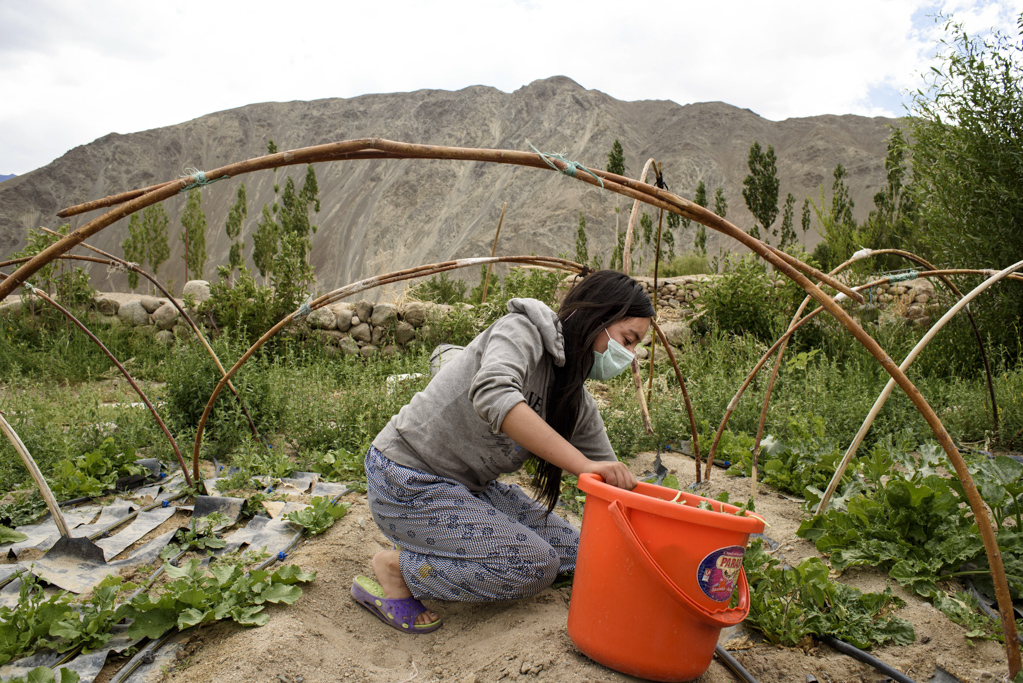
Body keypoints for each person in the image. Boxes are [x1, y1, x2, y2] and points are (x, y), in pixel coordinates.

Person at [350, 269, 654, 633]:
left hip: (469, 489)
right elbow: (495, 395)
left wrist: (656, 549)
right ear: (597, 320)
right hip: (406, 479)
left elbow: (616, 487)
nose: (630, 355)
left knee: (578, 553)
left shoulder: (575, 400)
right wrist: (584, 465)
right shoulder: (521, 331)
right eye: (628, 339)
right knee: (533, 565)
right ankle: (399, 570)